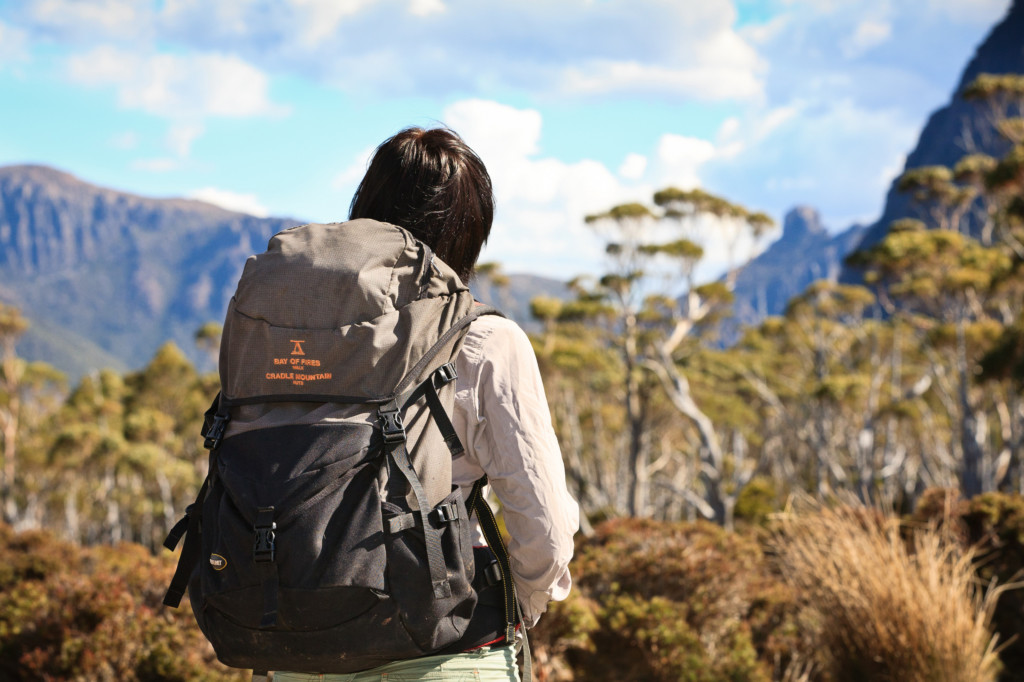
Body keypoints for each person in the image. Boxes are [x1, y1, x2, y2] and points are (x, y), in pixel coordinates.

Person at [271, 127, 579, 681]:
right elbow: (545, 526)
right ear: (470, 231)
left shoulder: (291, 334)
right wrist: (520, 603)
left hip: (300, 650)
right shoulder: (484, 339)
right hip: (446, 649)